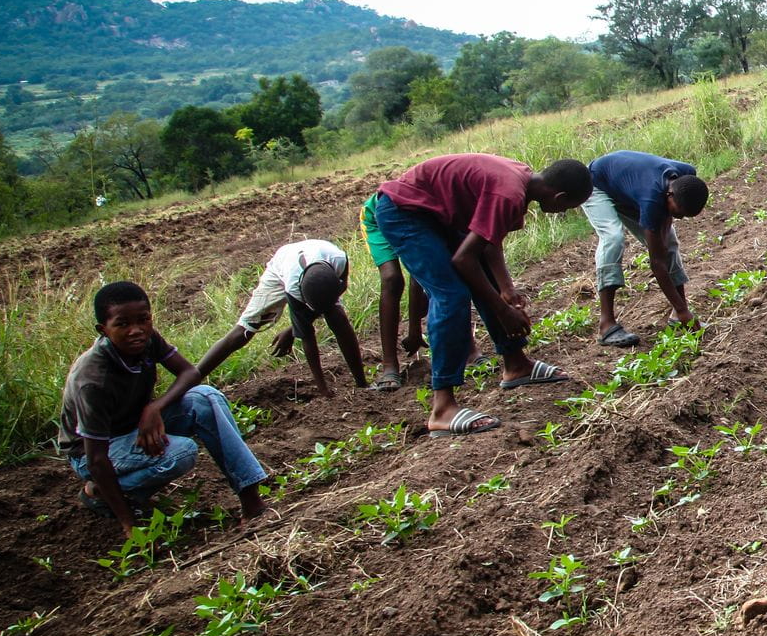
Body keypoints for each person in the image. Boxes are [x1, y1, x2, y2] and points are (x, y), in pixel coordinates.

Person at [367, 154, 592, 435]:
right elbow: (464, 260)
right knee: (451, 295)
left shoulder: (521, 182)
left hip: (432, 211)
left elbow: (486, 245)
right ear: (559, 198)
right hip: (405, 212)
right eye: (568, 207)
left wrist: (507, 291)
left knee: (483, 278)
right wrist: (503, 311)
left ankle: (516, 365)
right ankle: (443, 408)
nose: (564, 212)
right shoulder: (509, 193)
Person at [61, 281, 269, 535]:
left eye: (143, 319)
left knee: (205, 398)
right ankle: (101, 492)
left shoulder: (147, 340)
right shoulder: (93, 380)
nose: (136, 330)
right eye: (122, 324)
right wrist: (129, 524)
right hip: (92, 451)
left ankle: (251, 501)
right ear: (103, 329)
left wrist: (154, 408)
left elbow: (189, 372)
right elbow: (96, 458)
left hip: (134, 423)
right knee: (180, 453)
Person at [195, 239, 367, 397]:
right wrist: (323, 389)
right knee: (244, 330)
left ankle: (361, 382)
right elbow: (307, 336)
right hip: (282, 266)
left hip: (315, 263)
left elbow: (340, 287)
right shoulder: (294, 286)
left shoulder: (339, 260)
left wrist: (293, 329)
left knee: (338, 319)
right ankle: (193, 376)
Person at [584, 151, 709, 346]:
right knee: (613, 238)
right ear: (669, 195)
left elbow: (666, 234)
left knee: (670, 241)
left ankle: (678, 313)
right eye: (677, 213)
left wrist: (665, 232)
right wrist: (686, 311)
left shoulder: (687, 175)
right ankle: (606, 324)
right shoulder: (651, 198)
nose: (679, 218)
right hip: (597, 183)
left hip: (627, 186)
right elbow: (657, 263)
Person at [361, 193, 428, 391]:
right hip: (376, 214)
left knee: (424, 269)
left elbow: (419, 275)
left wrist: (415, 330)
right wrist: (415, 331)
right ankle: (389, 364)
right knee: (392, 279)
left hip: (414, 214)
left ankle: (468, 349)